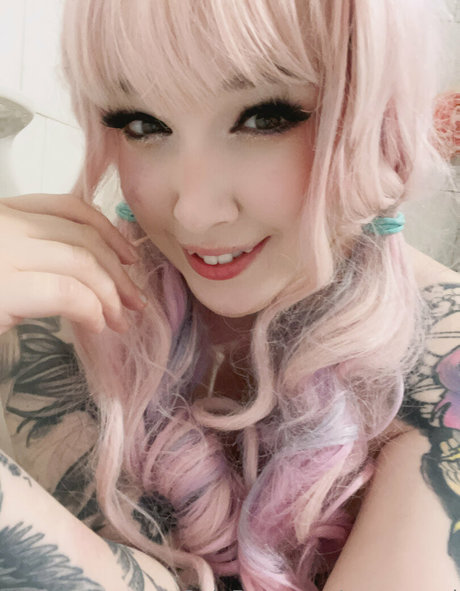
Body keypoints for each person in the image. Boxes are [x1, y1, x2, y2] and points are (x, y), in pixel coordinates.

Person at [0, 0, 458, 590]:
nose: (194, 212)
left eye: (266, 118)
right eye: (142, 124)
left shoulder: (444, 363)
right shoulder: (45, 318)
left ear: (380, 117)